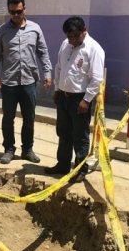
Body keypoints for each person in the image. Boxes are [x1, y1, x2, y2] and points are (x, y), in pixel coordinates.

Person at [0, 0, 52, 165]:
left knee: (29, 118)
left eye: (18, 11)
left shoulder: (35, 29)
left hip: (29, 82)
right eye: (12, 12)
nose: (15, 15)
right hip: (9, 83)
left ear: (24, 9)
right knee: (8, 118)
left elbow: (43, 52)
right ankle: (9, 149)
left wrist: (47, 73)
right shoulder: (2, 30)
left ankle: (27, 150)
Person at [45, 16, 105, 184]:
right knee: (63, 133)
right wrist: (57, 89)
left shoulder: (94, 49)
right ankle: (63, 164)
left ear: (84, 31)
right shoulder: (65, 45)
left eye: (75, 36)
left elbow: (96, 78)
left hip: (80, 99)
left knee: (80, 136)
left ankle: (80, 170)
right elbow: (59, 68)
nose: (72, 40)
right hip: (63, 97)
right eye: (69, 36)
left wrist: (86, 100)